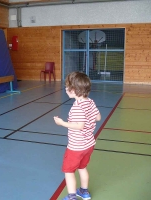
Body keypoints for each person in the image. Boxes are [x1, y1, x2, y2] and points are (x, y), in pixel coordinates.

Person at [54, 72, 101, 200]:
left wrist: (62, 123)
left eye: (67, 86)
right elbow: (98, 117)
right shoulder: (90, 102)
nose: (65, 89)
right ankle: (84, 192)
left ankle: (72, 196)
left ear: (73, 90)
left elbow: (79, 125)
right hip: (89, 144)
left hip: (76, 146)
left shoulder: (77, 107)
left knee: (69, 171)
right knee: (82, 167)